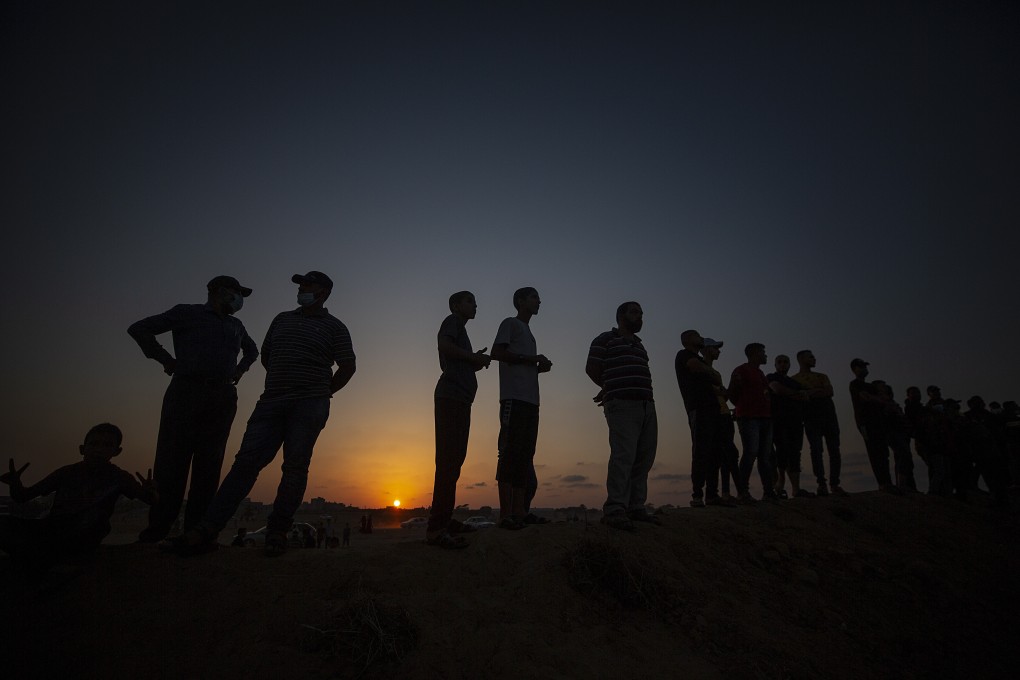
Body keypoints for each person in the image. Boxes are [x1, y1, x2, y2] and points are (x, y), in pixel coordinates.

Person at [168, 271, 356, 556]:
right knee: (245, 464)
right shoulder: (282, 319)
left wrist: (322, 391)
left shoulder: (335, 327)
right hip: (271, 402)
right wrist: (284, 381)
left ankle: (278, 532)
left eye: (308, 284)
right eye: (300, 284)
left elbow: (348, 366)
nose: (302, 288)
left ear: (324, 292)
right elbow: (267, 356)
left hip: (309, 405)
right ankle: (206, 530)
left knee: (294, 467)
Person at [128, 275, 258, 543]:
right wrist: (166, 360)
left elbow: (252, 351)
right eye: (235, 292)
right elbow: (140, 329)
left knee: (209, 466)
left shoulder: (236, 325)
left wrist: (240, 370)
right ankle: (158, 532)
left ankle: (195, 534)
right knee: (171, 462)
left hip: (222, 396)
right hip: (186, 392)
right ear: (216, 291)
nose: (239, 298)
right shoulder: (187, 313)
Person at [0, 423, 158, 566]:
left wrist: (150, 491)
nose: (99, 449)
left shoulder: (119, 477)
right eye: (94, 444)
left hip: (85, 535)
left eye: (107, 445)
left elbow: (151, 500)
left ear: (116, 451)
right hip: (54, 529)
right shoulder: (66, 472)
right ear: (83, 449)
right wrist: (15, 484)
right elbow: (22, 497)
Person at [586, 302, 658, 531]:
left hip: (646, 405)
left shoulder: (639, 345)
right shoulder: (605, 339)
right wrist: (610, 386)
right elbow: (592, 368)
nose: (640, 317)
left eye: (641, 314)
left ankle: (635, 506)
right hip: (622, 405)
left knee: (644, 457)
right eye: (635, 312)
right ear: (620, 316)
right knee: (624, 455)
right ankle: (615, 508)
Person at [427, 291, 491, 549]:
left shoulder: (460, 330)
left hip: (460, 399)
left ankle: (445, 520)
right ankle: (436, 528)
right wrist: (474, 357)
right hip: (451, 398)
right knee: (448, 462)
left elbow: (456, 359)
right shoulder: (452, 321)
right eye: (470, 301)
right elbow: (444, 347)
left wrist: (476, 360)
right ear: (456, 305)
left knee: (453, 463)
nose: (475, 305)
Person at [491, 287, 552, 529]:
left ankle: (519, 511)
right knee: (509, 454)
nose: (539, 301)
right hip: (513, 400)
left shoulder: (529, 332)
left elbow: (519, 364)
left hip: (531, 402)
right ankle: (506, 514)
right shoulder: (511, 324)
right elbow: (497, 353)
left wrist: (537, 367)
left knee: (525, 455)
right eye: (534, 297)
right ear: (520, 301)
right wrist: (530, 360)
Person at [674, 330, 728, 507]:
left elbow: (718, 386)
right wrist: (713, 374)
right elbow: (697, 368)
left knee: (715, 452)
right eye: (698, 336)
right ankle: (697, 495)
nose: (701, 339)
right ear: (688, 340)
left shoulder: (701, 361)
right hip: (698, 408)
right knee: (701, 451)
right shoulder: (684, 355)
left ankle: (712, 495)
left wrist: (713, 375)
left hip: (714, 409)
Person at [793, 350, 847, 497]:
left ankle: (835, 484)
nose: (814, 359)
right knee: (816, 450)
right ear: (801, 359)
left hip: (829, 416)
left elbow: (829, 392)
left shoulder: (822, 376)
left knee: (834, 450)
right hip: (811, 417)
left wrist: (810, 392)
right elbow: (799, 397)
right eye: (810, 356)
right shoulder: (795, 380)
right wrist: (816, 392)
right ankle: (821, 483)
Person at [729, 343, 776, 501]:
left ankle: (768, 492)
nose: (765, 355)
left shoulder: (760, 373)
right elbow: (733, 393)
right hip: (749, 418)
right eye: (763, 352)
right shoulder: (741, 370)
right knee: (751, 453)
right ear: (755, 353)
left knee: (765, 456)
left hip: (765, 418)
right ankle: (743, 492)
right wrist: (742, 409)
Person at [699, 338, 741, 503]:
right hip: (715, 416)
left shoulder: (715, 372)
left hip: (724, 415)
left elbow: (724, 395)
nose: (719, 351)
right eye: (716, 348)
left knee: (726, 455)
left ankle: (725, 492)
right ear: (708, 349)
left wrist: (728, 388)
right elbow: (711, 391)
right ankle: (737, 492)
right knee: (725, 453)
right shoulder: (702, 369)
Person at [848, 359, 899, 494]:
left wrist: (879, 399)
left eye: (865, 366)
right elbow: (867, 398)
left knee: (883, 452)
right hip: (865, 423)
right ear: (854, 369)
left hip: (878, 422)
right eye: (861, 366)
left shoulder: (870, 386)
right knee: (874, 451)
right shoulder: (855, 384)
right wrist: (879, 400)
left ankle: (887, 482)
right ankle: (883, 483)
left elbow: (884, 399)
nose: (864, 369)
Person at [767, 355, 812, 498]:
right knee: (782, 450)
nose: (782, 364)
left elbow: (806, 396)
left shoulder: (794, 382)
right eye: (779, 362)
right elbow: (776, 389)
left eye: (785, 362)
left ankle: (796, 489)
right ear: (775, 364)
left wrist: (796, 394)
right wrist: (796, 394)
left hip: (796, 421)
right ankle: (780, 482)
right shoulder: (771, 377)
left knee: (795, 453)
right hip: (778, 420)